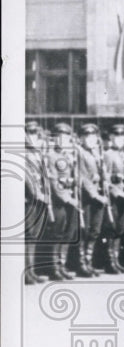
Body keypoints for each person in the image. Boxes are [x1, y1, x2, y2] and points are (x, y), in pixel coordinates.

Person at [43, 122, 80, 281]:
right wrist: (68, 199)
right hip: (59, 202)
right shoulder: (51, 157)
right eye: (59, 137)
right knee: (57, 234)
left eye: (65, 137)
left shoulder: (69, 156)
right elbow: (54, 182)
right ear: (54, 139)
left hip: (70, 199)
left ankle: (62, 265)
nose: (62, 140)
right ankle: (54, 268)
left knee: (68, 234)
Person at [75, 123, 108, 278]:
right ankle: (81, 264)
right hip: (87, 198)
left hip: (98, 196)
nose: (90, 139)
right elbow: (83, 178)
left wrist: (104, 178)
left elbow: (100, 174)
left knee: (95, 231)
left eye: (93, 136)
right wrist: (96, 195)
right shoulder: (79, 153)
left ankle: (89, 262)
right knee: (85, 231)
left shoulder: (97, 153)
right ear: (81, 138)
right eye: (86, 136)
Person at [23, 122, 51, 285]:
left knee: (33, 236)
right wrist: (38, 194)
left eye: (36, 134)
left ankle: (31, 271)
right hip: (29, 200)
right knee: (28, 236)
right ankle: (26, 272)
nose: (34, 137)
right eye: (31, 133)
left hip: (39, 199)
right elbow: (27, 176)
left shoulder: (38, 153)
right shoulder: (23, 153)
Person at [102, 124, 124, 274]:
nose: (119, 139)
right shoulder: (108, 155)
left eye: (122, 137)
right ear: (111, 138)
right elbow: (106, 180)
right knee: (112, 229)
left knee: (120, 228)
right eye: (116, 136)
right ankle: (109, 262)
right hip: (114, 198)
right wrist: (119, 193)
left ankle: (116, 260)